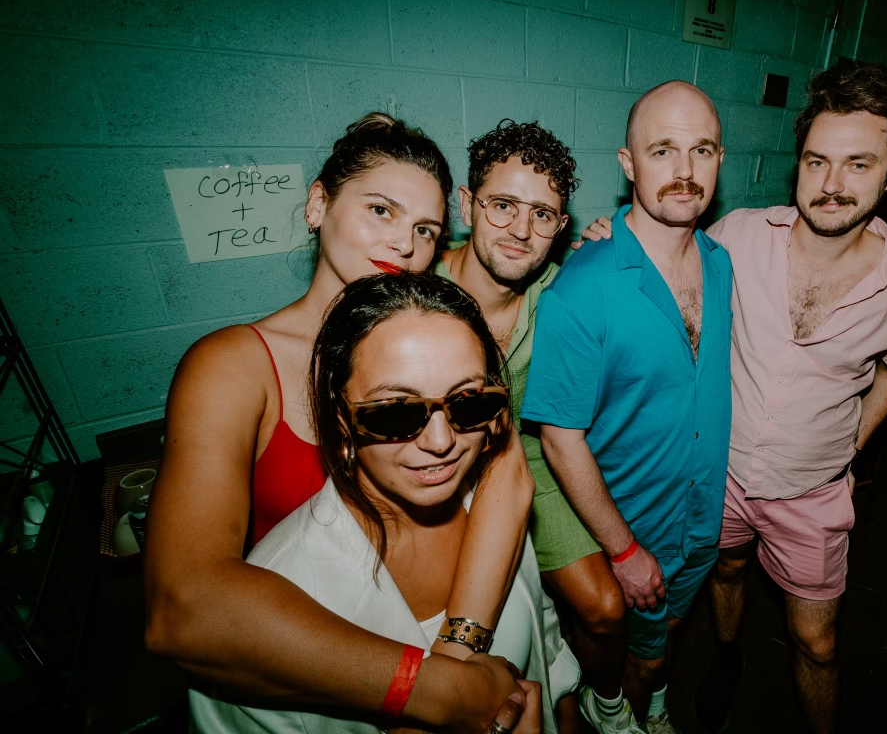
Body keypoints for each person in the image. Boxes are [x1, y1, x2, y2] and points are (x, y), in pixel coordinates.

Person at [578, 63, 887, 734]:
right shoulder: (736, 236)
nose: (831, 185)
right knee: (725, 571)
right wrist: (606, 234)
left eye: (858, 164)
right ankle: (726, 656)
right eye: (817, 161)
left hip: (811, 492)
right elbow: (661, 253)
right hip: (714, 475)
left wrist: (850, 447)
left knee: (818, 643)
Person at [145, 113, 538, 733]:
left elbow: (508, 476)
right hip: (312, 647)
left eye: (426, 229)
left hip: (443, 607)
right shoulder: (234, 365)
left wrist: (457, 654)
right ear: (317, 204)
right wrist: (435, 691)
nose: (405, 245)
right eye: (381, 210)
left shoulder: (437, 338)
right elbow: (184, 604)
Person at [191, 272, 581, 733]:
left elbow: (545, 640)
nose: (441, 442)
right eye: (397, 411)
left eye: (469, 403)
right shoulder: (277, 599)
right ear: (341, 418)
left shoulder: (492, 505)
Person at [523, 81, 735, 734]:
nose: (684, 170)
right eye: (662, 150)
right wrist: (622, 551)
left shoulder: (720, 262)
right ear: (628, 163)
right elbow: (559, 438)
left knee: (663, 640)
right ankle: (625, 710)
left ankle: (650, 695)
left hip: (701, 520)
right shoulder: (583, 287)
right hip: (635, 529)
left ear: (720, 160)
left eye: (702, 150)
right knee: (641, 656)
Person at [434, 120, 627, 733]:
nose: (521, 230)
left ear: (561, 225)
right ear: (467, 203)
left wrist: (607, 243)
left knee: (606, 608)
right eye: (503, 205)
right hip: (434, 469)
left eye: (542, 215)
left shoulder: (563, 291)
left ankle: (608, 704)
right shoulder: (417, 287)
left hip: (533, 460)